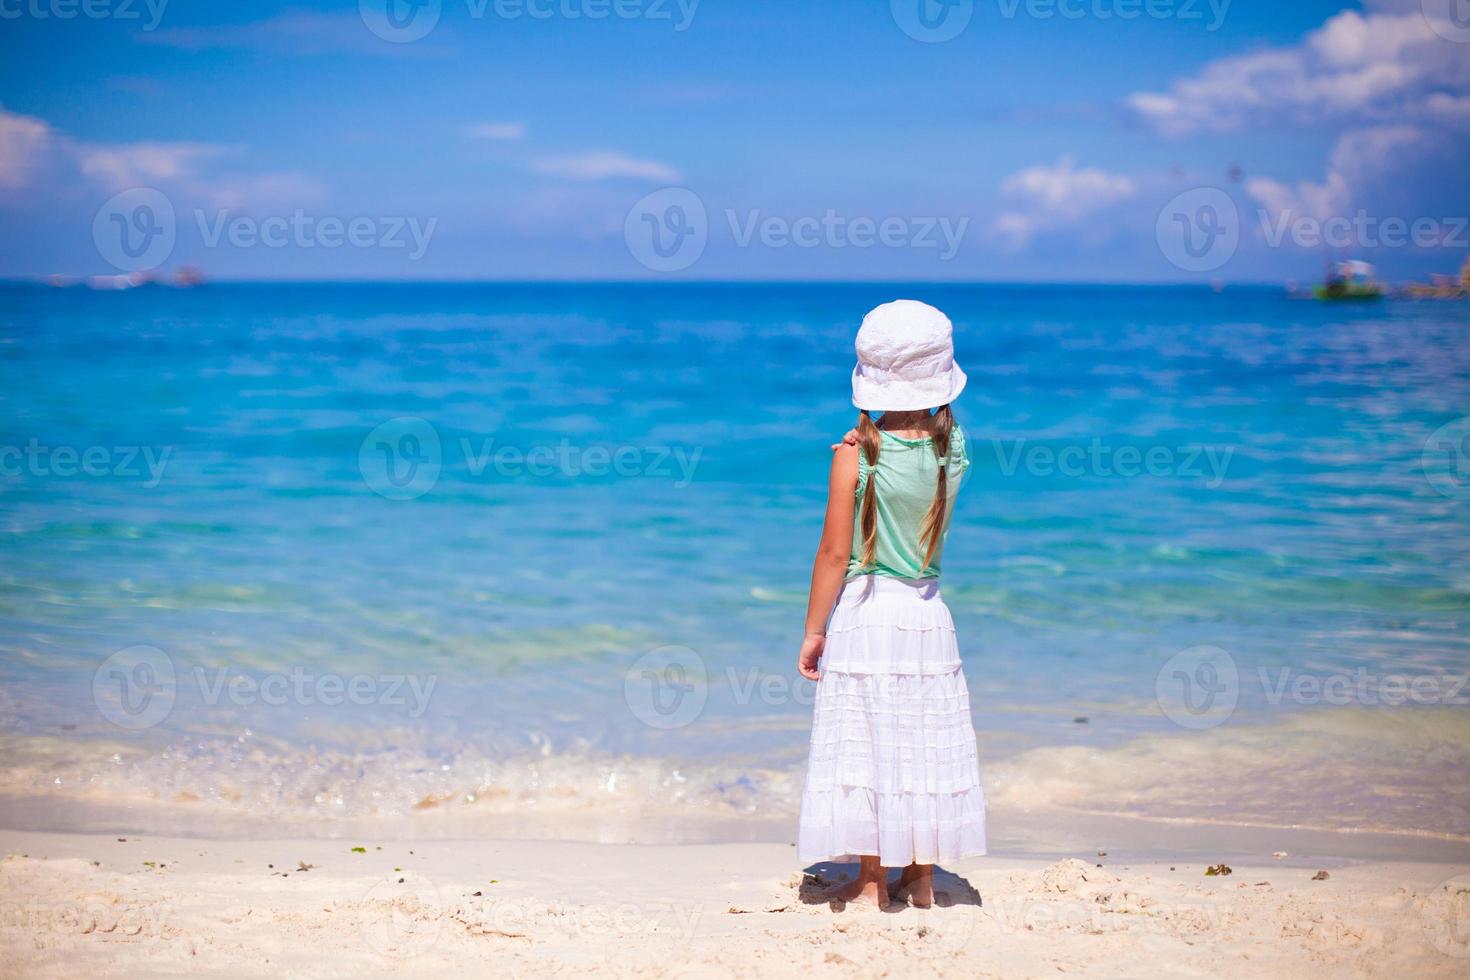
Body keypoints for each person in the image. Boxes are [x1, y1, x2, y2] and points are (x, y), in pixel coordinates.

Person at [796, 299, 987, 908]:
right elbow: (933, 433)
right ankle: (923, 876)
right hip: (928, 611)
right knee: (921, 740)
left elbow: (833, 553)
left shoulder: (855, 455)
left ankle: (874, 879)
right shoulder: (953, 446)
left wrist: (812, 629)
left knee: (871, 740)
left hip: (867, 609)